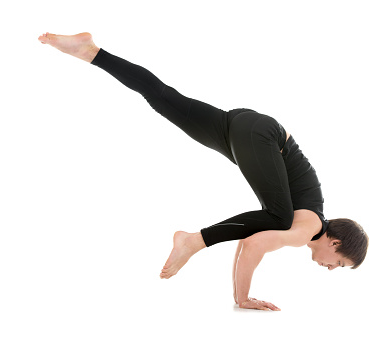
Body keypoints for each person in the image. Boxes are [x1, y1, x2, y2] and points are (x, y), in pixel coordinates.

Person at [38, 32, 369, 311]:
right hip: (261, 137)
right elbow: (255, 245)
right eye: (338, 263)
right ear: (335, 242)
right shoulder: (305, 229)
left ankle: (91, 51)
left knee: (163, 99)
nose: (330, 269)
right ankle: (192, 240)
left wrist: (240, 297)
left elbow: (249, 240)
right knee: (278, 218)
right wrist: (240, 297)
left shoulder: (300, 220)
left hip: (245, 130)